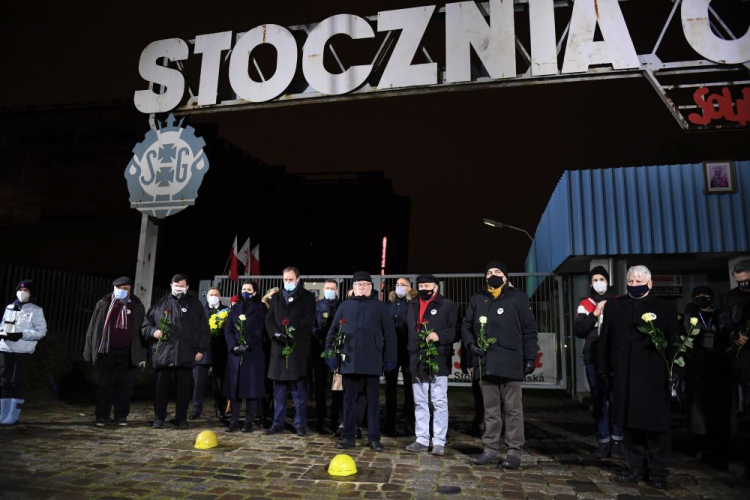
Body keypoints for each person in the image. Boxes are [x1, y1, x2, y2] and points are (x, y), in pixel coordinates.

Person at [597, 265, 680, 489]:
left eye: (638, 282)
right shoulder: (615, 306)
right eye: (631, 282)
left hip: (655, 377)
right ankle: (635, 467)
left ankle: (657, 471)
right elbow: (605, 339)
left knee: (656, 426)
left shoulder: (664, 308)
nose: (634, 285)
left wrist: (676, 371)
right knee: (629, 425)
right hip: (624, 376)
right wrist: (603, 368)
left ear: (650, 283)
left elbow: (674, 342)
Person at [462, 262, 538, 469]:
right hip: (485, 362)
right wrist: (470, 345)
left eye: (497, 272)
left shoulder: (518, 297)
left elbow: (529, 328)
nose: (492, 275)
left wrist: (530, 357)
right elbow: (466, 325)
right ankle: (490, 450)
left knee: (513, 409)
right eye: (488, 272)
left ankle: (514, 452)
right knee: (490, 409)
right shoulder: (478, 298)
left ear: (506, 277)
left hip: (511, 361)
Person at [327, 271, 397, 451]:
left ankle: (374, 438)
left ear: (371, 287)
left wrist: (390, 359)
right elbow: (333, 332)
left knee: (373, 401)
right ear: (353, 287)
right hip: (349, 360)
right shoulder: (345, 306)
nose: (363, 287)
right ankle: (348, 437)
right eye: (359, 284)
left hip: (372, 360)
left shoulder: (380, 307)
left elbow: (390, 334)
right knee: (348, 401)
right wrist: (331, 355)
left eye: (366, 284)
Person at [142, 274, 209, 430]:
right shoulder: (161, 303)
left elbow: (204, 330)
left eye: (182, 286)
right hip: (164, 352)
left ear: (187, 287)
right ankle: (159, 418)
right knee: (160, 389)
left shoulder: (195, 304)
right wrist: (153, 332)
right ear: (171, 285)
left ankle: (181, 419)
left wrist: (201, 349)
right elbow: (146, 325)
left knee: (184, 389)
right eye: (176, 285)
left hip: (186, 352)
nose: (179, 288)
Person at [404, 274, 457, 456]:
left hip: (438, 359)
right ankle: (421, 438)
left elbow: (455, 330)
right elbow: (408, 330)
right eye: (421, 285)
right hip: (416, 359)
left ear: (436, 287)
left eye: (427, 285)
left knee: (439, 401)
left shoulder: (447, 305)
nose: (424, 288)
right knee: (420, 401)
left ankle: (439, 441)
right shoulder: (411, 305)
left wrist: (439, 336)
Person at [83, 276, 147, 427]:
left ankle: (121, 416)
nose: (122, 291)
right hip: (106, 351)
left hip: (128, 352)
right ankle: (101, 416)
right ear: (113, 289)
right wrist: (89, 350)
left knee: (125, 386)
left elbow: (142, 331)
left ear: (130, 290)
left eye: (125, 289)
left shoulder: (137, 305)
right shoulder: (104, 303)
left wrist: (142, 354)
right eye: (119, 289)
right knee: (104, 385)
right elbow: (93, 328)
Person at [574, 266, 623, 458]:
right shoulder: (585, 304)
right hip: (593, 358)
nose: (599, 282)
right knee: (599, 400)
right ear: (590, 283)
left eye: (602, 278)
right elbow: (579, 331)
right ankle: (603, 441)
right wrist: (595, 313)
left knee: (616, 399)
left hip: (614, 358)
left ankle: (618, 440)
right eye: (595, 280)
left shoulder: (619, 302)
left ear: (608, 281)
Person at [684, 286, 733, 469]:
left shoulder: (720, 315)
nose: (702, 298)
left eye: (706, 296)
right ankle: (702, 444)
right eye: (698, 296)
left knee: (719, 409)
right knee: (698, 409)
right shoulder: (691, 316)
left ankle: (720, 446)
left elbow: (728, 335)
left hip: (719, 368)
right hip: (698, 368)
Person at [265, 267, 316, 436]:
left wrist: (292, 335)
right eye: (285, 279)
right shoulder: (276, 297)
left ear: (298, 279)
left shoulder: (307, 297)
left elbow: (308, 321)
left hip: (297, 350)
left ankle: (300, 424)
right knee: (278, 392)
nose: (287, 282)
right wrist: (276, 334)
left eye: (290, 279)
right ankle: (277, 422)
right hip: (278, 349)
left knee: (299, 391)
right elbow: (270, 319)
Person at [0, 280, 47, 426]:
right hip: (5, 349)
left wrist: (21, 334)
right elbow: (3, 324)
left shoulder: (36, 310)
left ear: (31, 293)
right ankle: (3, 413)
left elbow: (41, 332)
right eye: (20, 289)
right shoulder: (9, 307)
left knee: (17, 381)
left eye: (26, 290)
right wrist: (2, 333)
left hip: (22, 351)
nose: (22, 292)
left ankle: (14, 414)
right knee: (3, 381)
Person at [223, 280, 267, 432]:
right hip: (236, 353)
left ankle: (248, 421)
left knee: (251, 388)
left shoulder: (261, 308)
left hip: (252, 353)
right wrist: (233, 345)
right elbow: (228, 329)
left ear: (254, 292)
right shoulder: (235, 308)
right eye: (243, 289)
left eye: (249, 289)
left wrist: (247, 344)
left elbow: (261, 329)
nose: (245, 292)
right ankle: (234, 420)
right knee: (235, 387)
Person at [190, 287, 229, 420]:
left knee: (219, 383)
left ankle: (220, 409)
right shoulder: (200, 310)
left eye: (216, 294)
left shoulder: (226, 310)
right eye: (211, 294)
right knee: (198, 383)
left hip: (220, 352)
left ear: (220, 296)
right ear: (207, 297)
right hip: (202, 352)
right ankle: (196, 409)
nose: (213, 296)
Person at [384, 277, 416, 436]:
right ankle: (390, 421)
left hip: (408, 351)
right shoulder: (388, 305)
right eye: (397, 285)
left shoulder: (413, 305)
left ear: (410, 287)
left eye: (403, 285)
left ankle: (409, 420)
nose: (400, 287)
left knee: (410, 387)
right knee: (390, 387)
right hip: (391, 350)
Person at [312, 279, 342, 433]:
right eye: (327, 288)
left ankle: (335, 418)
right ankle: (320, 417)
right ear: (323, 289)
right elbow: (311, 324)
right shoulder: (317, 305)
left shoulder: (341, 305)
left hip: (336, 350)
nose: (330, 290)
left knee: (337, 386)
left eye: (333, 288)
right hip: (319, 349)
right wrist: (317, 332)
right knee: (320, 385)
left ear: (336, 290)